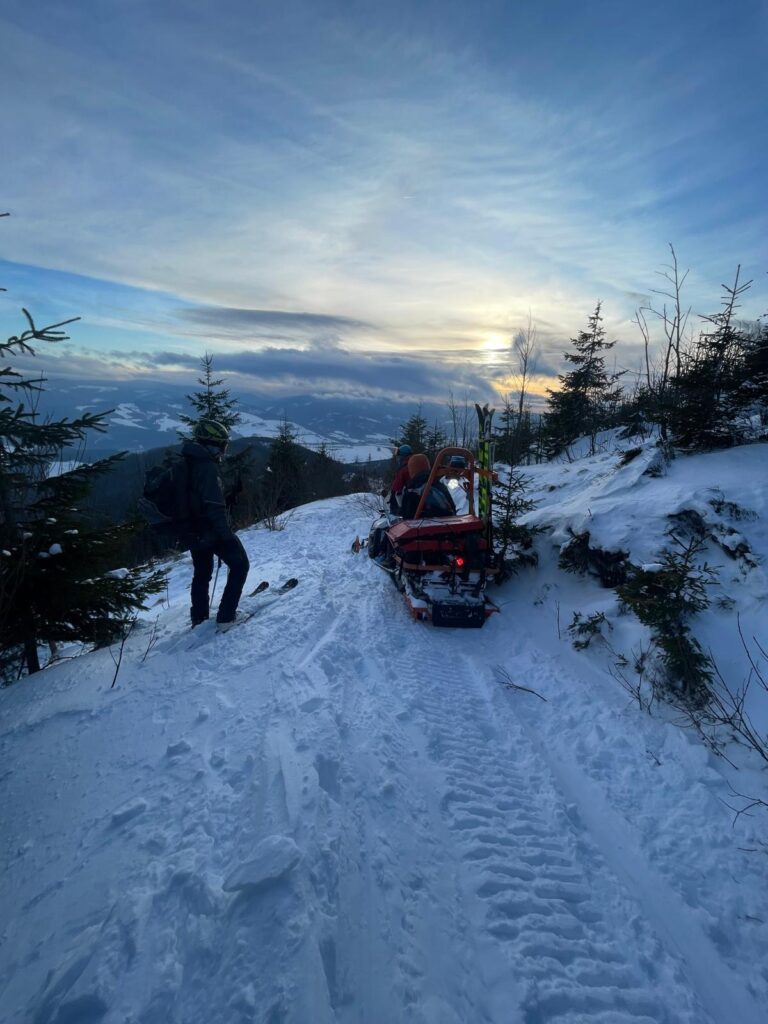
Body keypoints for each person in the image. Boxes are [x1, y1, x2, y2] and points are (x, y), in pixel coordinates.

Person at [182, 419, 250, 627]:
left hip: (192, 530)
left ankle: (199, 617)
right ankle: (226, 617)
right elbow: (213, 507)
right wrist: (226, 536)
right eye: (222, 444)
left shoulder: (188, 460)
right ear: (212, 443)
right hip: (210, 530)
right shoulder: (207, 467)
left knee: (202, 573)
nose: (223, 449)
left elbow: (198, 498)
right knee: (240, 565)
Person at [400, 453, 457, 519]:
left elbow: (407, 517)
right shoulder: (439, 485)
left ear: (411, 470)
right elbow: (452, 508)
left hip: (423, 527)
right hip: (449, 525)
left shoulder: (412, 490)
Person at [387, 444, 413, 514]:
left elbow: (396, 488)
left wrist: (392, 502)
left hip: (409, 498)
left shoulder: (404, 469)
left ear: (402, 456)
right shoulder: (416, 463)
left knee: (396, 511)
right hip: (419, 496)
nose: (398, 458)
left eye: (399, 456)